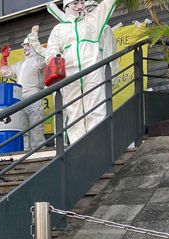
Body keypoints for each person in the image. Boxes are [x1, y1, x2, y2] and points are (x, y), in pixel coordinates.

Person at [45, 0, 116, 144]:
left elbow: (107, 4)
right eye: (75, 3)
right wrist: (54, 57)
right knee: (74, 113)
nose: (80, 6)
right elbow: (50, 51)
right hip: (70, 77)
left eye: (82, 2)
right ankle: (79, 149)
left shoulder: (92, 21)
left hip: (92, 73)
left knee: (97, 110)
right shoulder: (59, 29)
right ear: (66, 6)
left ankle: (99, 146)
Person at [0, 26, 47, 148]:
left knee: (36, 126)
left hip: (34, 94)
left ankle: (39, 151)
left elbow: (45, 59)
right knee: (23, 128)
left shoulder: (38, 60)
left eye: (28, 45)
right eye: (24, 46)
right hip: (21, 97)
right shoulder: (20, 64)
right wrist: (4, 59)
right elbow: (5, 73)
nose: (25, 48)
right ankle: (25, 151)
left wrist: (35, 41)